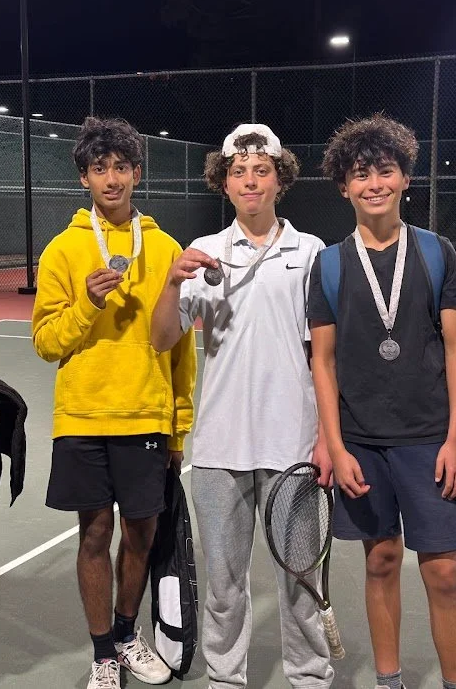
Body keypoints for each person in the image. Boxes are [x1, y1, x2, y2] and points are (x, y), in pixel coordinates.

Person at [150, 123, 335, 688]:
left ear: (281, 179)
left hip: (294, 444)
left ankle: (310, 677)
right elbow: (161, 338)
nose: (249, 181)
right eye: (237, 172)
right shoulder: (203, 256)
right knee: (225, 588)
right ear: (223, 184)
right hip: (219, 447)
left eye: (261, 170)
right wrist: (168, 283)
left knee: (303, 582)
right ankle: (225, 679)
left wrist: (328, 437)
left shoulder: (311, 253)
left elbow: (325, 356)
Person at [307, 114, 456, 689]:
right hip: (363, 442)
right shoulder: (328, 264)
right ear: (343, 186)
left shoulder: (435, 252)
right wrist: (334, 442)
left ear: (405, 178)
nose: (374, 183)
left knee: (444, 573)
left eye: (385, 171)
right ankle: (389, 681)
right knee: (380, 561)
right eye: (360, 174)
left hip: (429, 440)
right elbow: (322, 362)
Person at [31, 117, 197, 689]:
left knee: (142, 536)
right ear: (84, 179)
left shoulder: (167, 248)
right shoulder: (63, 250)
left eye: (121, 167)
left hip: (146, 415)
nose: (111, 179)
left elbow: (180, 346)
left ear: (136, 173)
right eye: (99, 169)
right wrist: (87, 305)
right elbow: (47, 342)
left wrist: (178, 426)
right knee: (95, 534)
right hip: (82, 417)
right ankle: (104, 651)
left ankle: (129, 633)